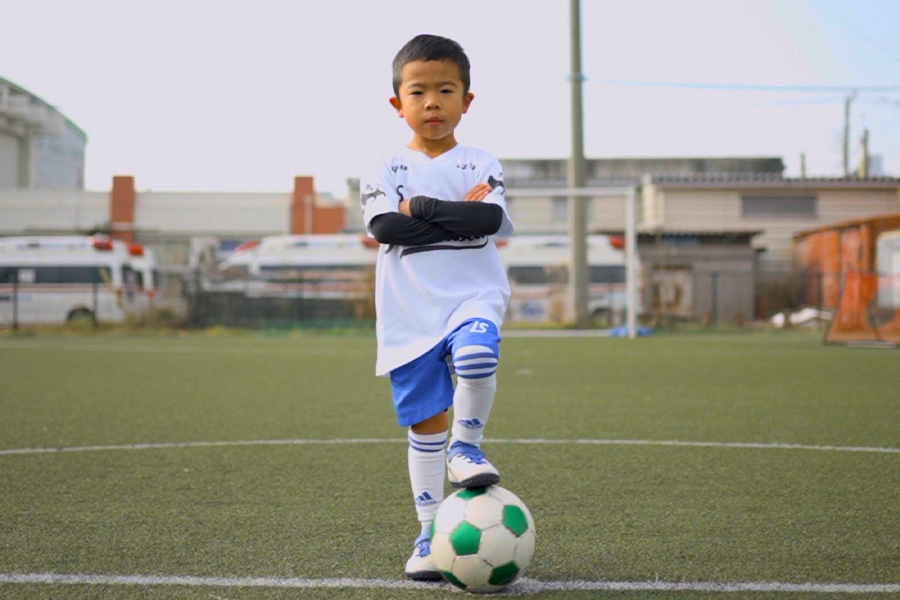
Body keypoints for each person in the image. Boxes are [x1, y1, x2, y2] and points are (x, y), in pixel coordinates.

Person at [360, 33, 515, 580]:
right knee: (426, 426)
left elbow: (487, 221)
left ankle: (467, 449)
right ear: (397, 103)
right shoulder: (384, 166)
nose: (432, 103)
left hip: (474, 294)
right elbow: (384, 228)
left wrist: (421, 209)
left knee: (477, 356)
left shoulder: (481, 161)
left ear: (466, 100)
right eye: (418, 92)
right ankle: (428, 535)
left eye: (445, 90)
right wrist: (448, 212)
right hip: (408, 311)